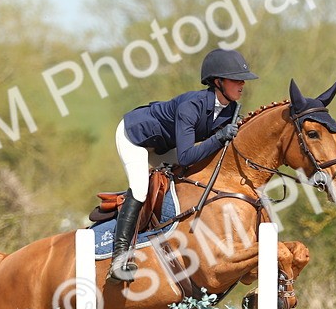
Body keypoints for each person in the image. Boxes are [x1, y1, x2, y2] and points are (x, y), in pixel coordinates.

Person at [108, 48, 257, 282]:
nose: (242, 85)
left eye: (243, 80)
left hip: (165, 145)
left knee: (187, 179)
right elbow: (187, 156)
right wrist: (219, 137)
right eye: (236, 79)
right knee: (139, 188)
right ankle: (119, 259)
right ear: (218, 82)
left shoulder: (229, 112)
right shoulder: (192, 106)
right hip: (135, 136)